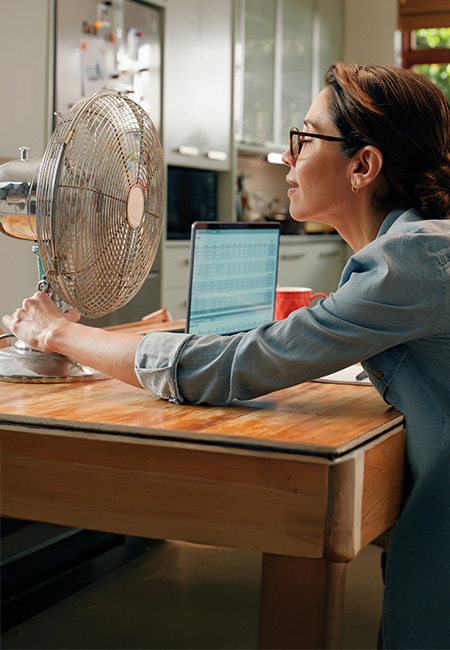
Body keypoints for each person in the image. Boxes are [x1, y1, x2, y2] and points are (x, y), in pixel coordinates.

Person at [3, 63, 450, 648]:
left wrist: (56, 333)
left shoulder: (408, 260)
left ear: (363, 166)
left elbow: (226, 369)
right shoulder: (419, 248)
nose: (286, 157)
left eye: (305, 138)